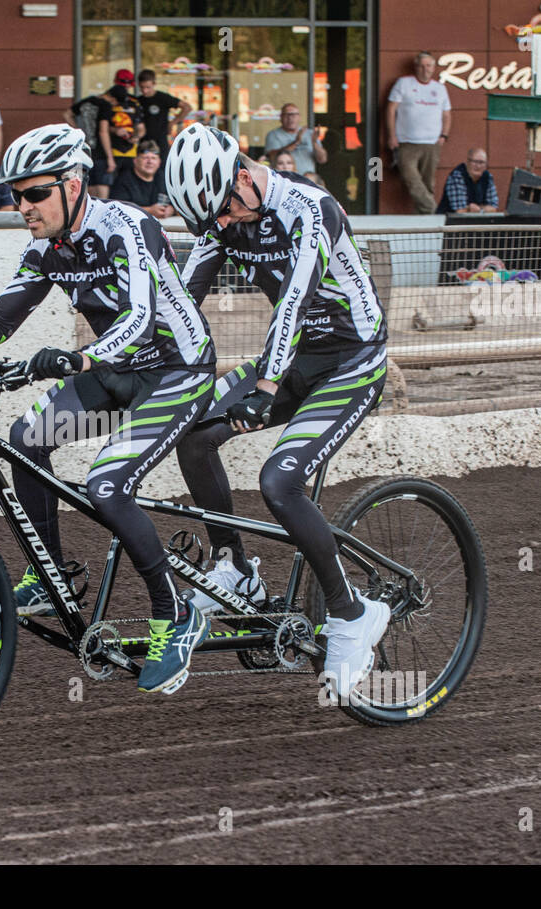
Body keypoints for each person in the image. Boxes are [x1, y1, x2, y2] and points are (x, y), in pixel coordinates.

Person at [0, 124, 216, 694]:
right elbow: (0, 318)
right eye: (15, 194)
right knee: (24, 440)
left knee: (108, 486)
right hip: (112, 371)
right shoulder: (46, 246)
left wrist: (78, 358)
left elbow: (138, 318)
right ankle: (52, 577)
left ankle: (176, 611)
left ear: (73, 185)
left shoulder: (127, 226)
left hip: (176, 371)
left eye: (35, 193)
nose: (23, 205)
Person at [164, 123, 391, 703]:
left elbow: (294, 298)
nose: (222, 223)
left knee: (278, 482)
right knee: (191, 434)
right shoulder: (222, 212)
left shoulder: (309, 208)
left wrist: (265, 384)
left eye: (226, 209)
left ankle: (350, 613)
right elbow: (183, 299)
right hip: (290, 360)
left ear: (242, 174)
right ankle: (233, 568)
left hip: (349, 359)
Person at [385, 52, 451, 214]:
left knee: (428, 183)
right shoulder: (404, 83)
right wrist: (392, 135)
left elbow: (447, 114)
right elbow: (391, 109)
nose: (425, 69)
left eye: (428, 65)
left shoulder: (440, 88)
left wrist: (444, 135)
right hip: (406, 142)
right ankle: (433, 212)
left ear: (434, 68)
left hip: (432, 143)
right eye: (421, 65)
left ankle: (424, 221)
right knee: (412, 180)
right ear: (416, 67)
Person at [65, 84, 142, 200]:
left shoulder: (87, 101)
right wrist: (110, 158)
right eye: (116, 103)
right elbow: (103, 132)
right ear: (113, 99)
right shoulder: (105, 106)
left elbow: (67, 114)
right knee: (102, 187)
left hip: (82, 150)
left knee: (87, 185)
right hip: (99, 152)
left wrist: (78, 132)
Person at [109, 138, 172, 218]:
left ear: (159, 162)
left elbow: (174, 202)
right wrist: (149, 210)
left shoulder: (164, 179)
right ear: (135, 161)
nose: (150, 162)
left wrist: (171, 209)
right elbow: (118, 208)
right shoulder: (124, 180)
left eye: (154, 158)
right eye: (145, 158)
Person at [135, 69, 191, 156]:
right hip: (144, 141)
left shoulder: (163, 98)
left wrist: (172, 123)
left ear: (154, 84)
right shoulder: (138, 101)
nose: (145, 90)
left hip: (160, 140)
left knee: (163, 167)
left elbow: (187, 107)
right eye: (142, 87)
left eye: (148, 87)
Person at [263, 104, 326, 177]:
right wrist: (296, 142)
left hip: (308, 179)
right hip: (285, 179)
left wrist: (314, 143)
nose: (290, 118)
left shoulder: (310, 134)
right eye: (287, 115)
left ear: (299, 117)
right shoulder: (273, 135)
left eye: (294, 115)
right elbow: (272, 156)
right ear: (280, 118)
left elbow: (322, 159)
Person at [436, 148, 498, 213]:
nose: (478, 166)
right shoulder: (457, 176)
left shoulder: (488, 177)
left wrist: (478, 209)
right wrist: (482, 209)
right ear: (467, 162)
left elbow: (494, 208)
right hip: (448, 220)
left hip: (476, 221)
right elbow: (460, 211)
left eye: (481, 162)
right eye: (475, 162)